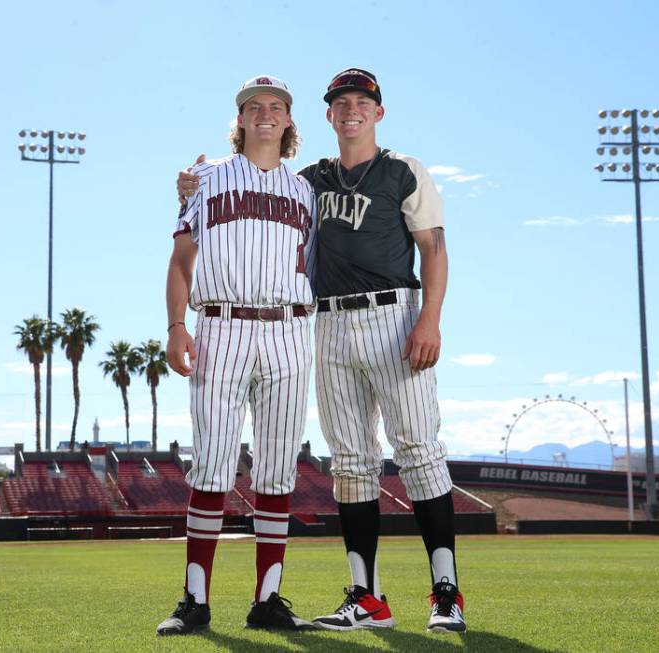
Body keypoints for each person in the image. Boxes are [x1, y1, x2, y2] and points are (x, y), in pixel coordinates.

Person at [176, 68, 466, 634]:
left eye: (362, 101)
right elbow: (250, 185)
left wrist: (430, 318)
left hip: (395, 316)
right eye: (340, 103)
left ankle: (446, 594)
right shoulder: (309, 180)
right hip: (327, 323)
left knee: (418, 451)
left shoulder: (404, 170)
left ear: (377, 112)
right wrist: (192, 184)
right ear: (327, 115)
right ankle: (367, 598)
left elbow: (433, 246)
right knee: (352, 463)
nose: (351, 110)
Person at [157, 75, 317, 636]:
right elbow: (181, 259)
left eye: (277, 107)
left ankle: (267, 600)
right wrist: (177, 326)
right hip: (219, 324)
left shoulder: (307, 192)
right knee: (213, 465)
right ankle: (195, 600)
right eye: (255, 107)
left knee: (277, 470)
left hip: (290, 329)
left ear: (289, 121)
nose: (266, 114)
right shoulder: (204, 179)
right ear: (241, 119)